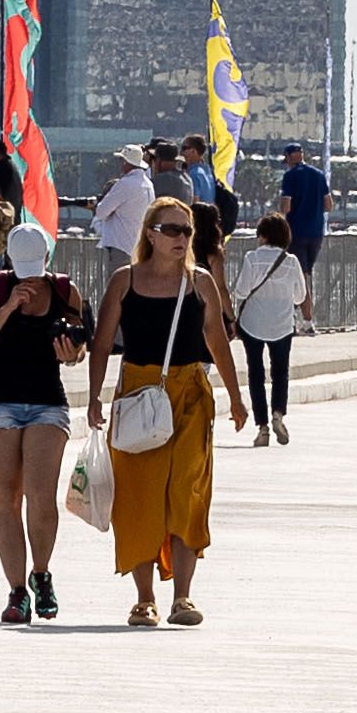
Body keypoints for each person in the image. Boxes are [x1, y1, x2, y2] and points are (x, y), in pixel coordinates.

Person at [89, 185, 242, 625]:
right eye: (172, 229)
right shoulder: (126, 280)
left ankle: (183, 597)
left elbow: (216, 340)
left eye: (187, 230)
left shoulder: (201, 282)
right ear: (150, 234)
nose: (181, 237)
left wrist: (235, 396)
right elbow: (101, 344)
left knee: (186, 495)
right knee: (138, 495)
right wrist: (95, 396)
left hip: (191, 392)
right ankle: (144, 598)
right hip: (138, 392)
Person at [0, 223, 88, 625]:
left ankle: (42, 574)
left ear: (48, 261)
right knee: (6, 497)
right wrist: (7, 308)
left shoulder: (66, 290)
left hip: (46, 401)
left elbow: (79, 348)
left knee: (41, 494)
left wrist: (71, 352)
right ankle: (16, 591)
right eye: (24, 269)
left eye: (36, 269)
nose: (31, 277)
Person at [225, 211, 309, 448]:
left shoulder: (252, 258)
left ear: (262, 235)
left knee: (256, 374)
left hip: (253, 324)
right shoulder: (291, 261)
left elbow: (241, 292)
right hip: (282, 325)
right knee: (281, 372)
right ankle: (278, 414)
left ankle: (262, 427)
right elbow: (300, 296)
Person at [274, 140, 330, 279]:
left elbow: (285, 207)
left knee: (299, 276)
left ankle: (304, 301)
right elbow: (328, 205)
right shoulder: (319, 175)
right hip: (317, 232)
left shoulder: (290, 176)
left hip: (297, 232)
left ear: (288, 157)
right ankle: (305, 300)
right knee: (306, 273)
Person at [92, 146, 158, 263]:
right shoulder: (148, 184)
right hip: (140, 246)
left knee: (118, 280)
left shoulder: (125, 184)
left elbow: (101, 212)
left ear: (125, 162)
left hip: (121, 246)